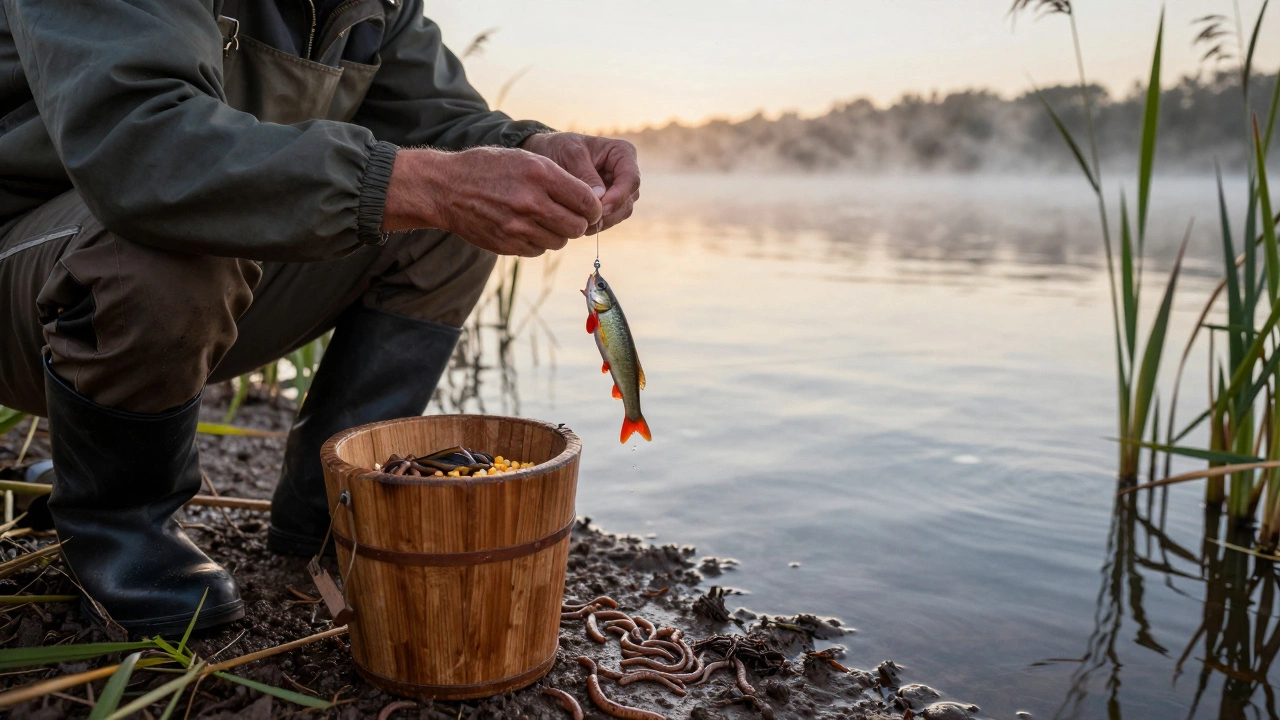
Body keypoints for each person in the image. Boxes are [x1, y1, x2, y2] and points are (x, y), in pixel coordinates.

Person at [0, 0, 640, 635]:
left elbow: (442, 119)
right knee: (171, 242)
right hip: (33, 267)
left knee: (452, 222)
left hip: (169, 263)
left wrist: (533, 148)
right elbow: (145, 149)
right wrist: (430, 184)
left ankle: (336, 511)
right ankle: (122, 532)